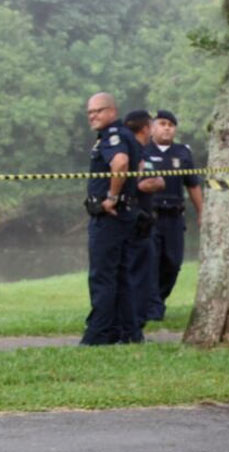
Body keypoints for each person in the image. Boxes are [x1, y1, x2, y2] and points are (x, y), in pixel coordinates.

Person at [81, 92, 142, 345]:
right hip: (125, 216)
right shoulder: (127, 136)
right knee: (121, 276)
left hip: (110, 217)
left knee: (103, 276)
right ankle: (128, 334)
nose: (93, 116)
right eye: (90, 112)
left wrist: (112, 197)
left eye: (98, 110)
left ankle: (99, 335)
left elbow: (120, 163)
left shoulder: (112, 136)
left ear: (112, 112)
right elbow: (137, 168)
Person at [143, 109, 203, 321]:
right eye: (162, 123)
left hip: (175, 217)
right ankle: (153, 308)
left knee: (173, 262)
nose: (167, 128)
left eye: (171, 124)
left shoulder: (183, 152)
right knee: (151, 261)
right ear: (152, 127)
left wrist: (201, 212)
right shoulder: (143, 150)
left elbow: (193, 185)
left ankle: (158, 298)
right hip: (151, 217)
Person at [121, 110, 165, 330]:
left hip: (147, 219)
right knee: (135, 271)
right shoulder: (132, 152)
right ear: (146, 127)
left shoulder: (144, 153)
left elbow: (160, 181)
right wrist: (139, 185)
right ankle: (133, 321)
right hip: (133, 219)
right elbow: (130, 182)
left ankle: (140, 316)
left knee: (146, 270)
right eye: (153, 126)